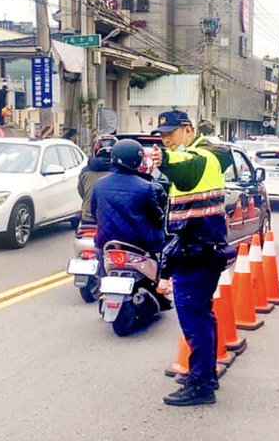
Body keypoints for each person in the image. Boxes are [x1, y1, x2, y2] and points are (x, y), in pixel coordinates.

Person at [150, 110, 233, 407]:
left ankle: (201, 385)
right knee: (203, 317)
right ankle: (204, 375)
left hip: (197, 254)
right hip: (200, 250)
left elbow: (185, 170)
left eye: (171, 134)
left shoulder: (199, 157)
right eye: (162, 135)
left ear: (188, 130)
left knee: (195, 320)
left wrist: (167, 160)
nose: (166, 139)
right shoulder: (200, 155)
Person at [91, 139, 166, 255]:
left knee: (100, 266)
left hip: (106, 242)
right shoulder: (145, 187)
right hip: (139, 244)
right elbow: (156, 217)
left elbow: (94, 212)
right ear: (137, 160)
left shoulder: (99, 183)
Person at [77, 135, 117, 226]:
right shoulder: (122, 171)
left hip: (88, 218)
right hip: (112, 220)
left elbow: (82, 192)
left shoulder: (85, 171)